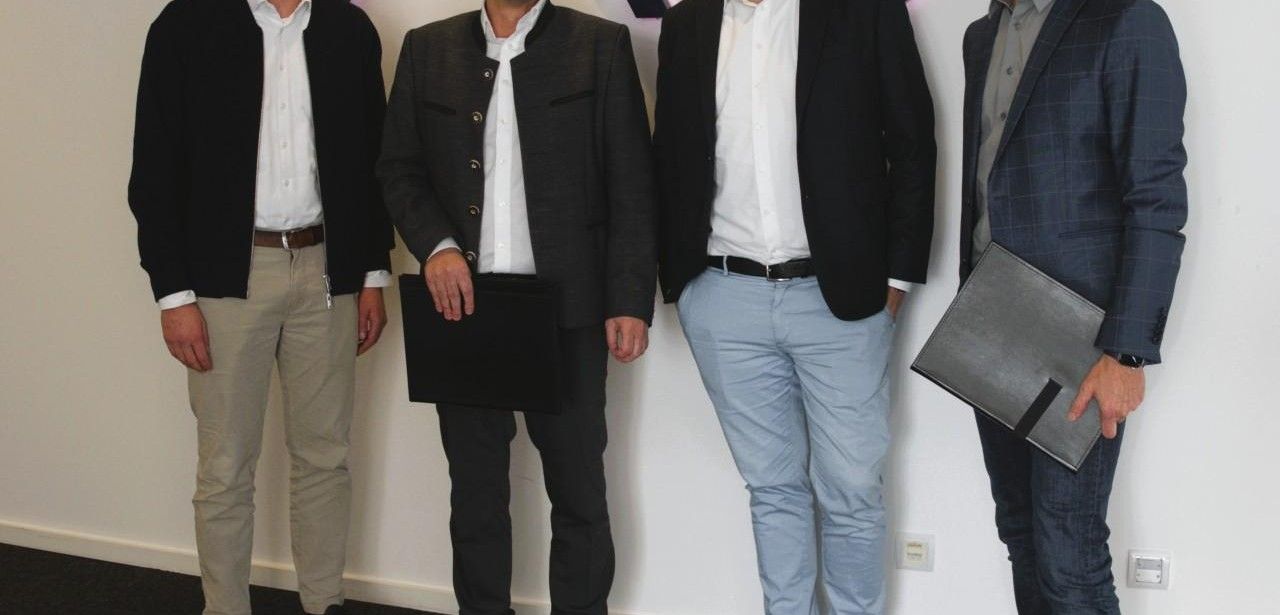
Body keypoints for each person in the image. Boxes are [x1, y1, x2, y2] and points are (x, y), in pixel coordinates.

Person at [653, 0, 936, 612]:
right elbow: (669, 154)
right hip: (723, 297)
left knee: (852, 489)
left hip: (841, 297)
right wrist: (683, 282)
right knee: (772, 488)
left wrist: (898, 276)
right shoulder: (685, 24)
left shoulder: (864, 11)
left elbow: (913, 143)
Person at [377, 1, 657, 613]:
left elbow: (632, 182)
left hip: (571, 309)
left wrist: (629, 298)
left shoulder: (599, 44)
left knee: (579, 492)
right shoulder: (427, 48)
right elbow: (399, 168)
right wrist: (436, 247)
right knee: (475, 496)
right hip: (464, 308)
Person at [127, 0, 393, 613]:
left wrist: (371, 273)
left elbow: (372, 158)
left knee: (325, 457)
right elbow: (154, 167)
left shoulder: (349, 28)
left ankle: (324, 602)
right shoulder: (185, 23)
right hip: (225, 278)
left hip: (328, 271)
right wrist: (173, 293)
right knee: (225, 467)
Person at [959, 0, 1188, 612]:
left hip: (1081, 339)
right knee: (1021, 534)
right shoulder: (981, 36)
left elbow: (1156, 199)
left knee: (1070, 556)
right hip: (989, 320)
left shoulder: (1127, 19)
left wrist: (1127, 353)